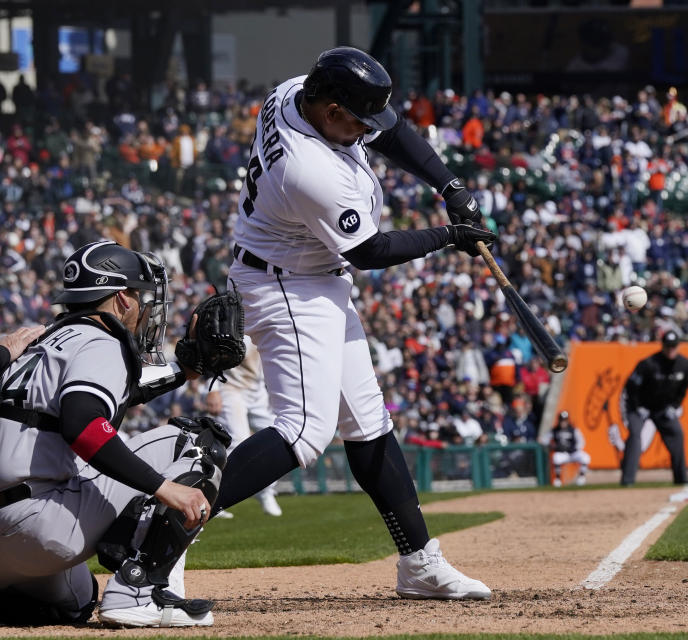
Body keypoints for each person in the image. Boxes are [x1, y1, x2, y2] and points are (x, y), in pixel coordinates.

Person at [216, 46, 495, 600]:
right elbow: (368, 249)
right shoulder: (308, 168)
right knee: (303, 431)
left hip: (310, 275)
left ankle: (419, 563)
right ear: (332, 109)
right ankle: (164, 524)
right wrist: (448, 236)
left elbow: (392, 133)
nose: (367, 129)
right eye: (358, 121)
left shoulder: (301, 89)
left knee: (368, 423)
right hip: (285, 283)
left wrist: (451, 188)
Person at [0, 241, 231, 627]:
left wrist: (182, 372)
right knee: (196, 442)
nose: (143, 307)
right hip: (40, 526)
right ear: (122, 297)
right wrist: (163, 487)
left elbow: (112, 395)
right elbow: (84, 423)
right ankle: (138, 593)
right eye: (140, 296)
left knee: (77, 600)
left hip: (10, 538)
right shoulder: (101, 340)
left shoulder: (31, 346)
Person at [204, 335, 282, 517]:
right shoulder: (233, 317)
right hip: (230, 388)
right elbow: (210, 353)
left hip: (257, 391)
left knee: (281, 436)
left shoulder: (268, 319)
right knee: (237, 442)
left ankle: (266, 492)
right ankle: (214, 496)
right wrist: (212, 389)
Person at [619, 330, 688, 486]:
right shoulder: (648, 364)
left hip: (662, 408)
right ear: (662, 346)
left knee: (677, 433)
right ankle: (627, 480)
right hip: (639, 407)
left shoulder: (684, 365)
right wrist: (638, 407)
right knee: (635, 436)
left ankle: (682, 479)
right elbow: (631, 387)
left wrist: (674, 406)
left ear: (678, 346)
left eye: (674, 346)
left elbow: (684, 389)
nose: (671, 350)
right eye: (668, 346)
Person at [541, 411, 590, 487]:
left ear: (568, 420)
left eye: (565, 420)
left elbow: (581, 442)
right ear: (559, 421)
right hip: (562, 453)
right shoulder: (554, 430)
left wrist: (574, 448)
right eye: (562, 420)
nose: (563, 422)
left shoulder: (573, 430)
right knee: (555, 457)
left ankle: (581, 477)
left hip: (573, 453)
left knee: (585, 457)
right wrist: (553, 446)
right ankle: (558, 479)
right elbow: (544, 440)